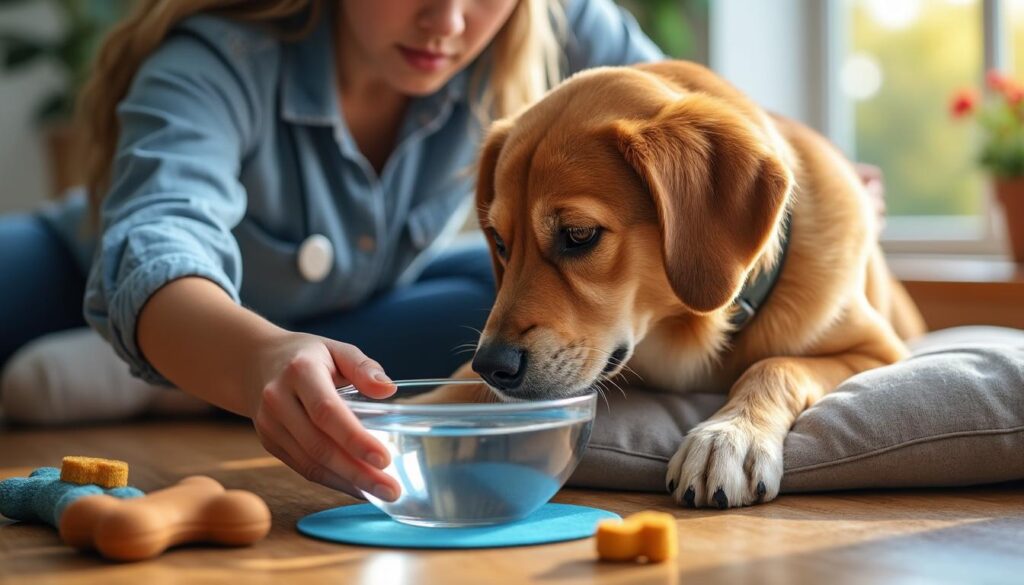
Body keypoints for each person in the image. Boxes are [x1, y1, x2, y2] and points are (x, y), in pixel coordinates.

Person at [0, 0, 665, 502]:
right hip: (76, 272)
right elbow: (155, 239)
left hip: (364, 311)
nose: (448, 21)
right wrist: (255, 356)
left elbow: (709, 133)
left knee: (490, 319)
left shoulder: (557, 22)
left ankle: (186, 385)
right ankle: (194, 359)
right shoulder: (221, 54)